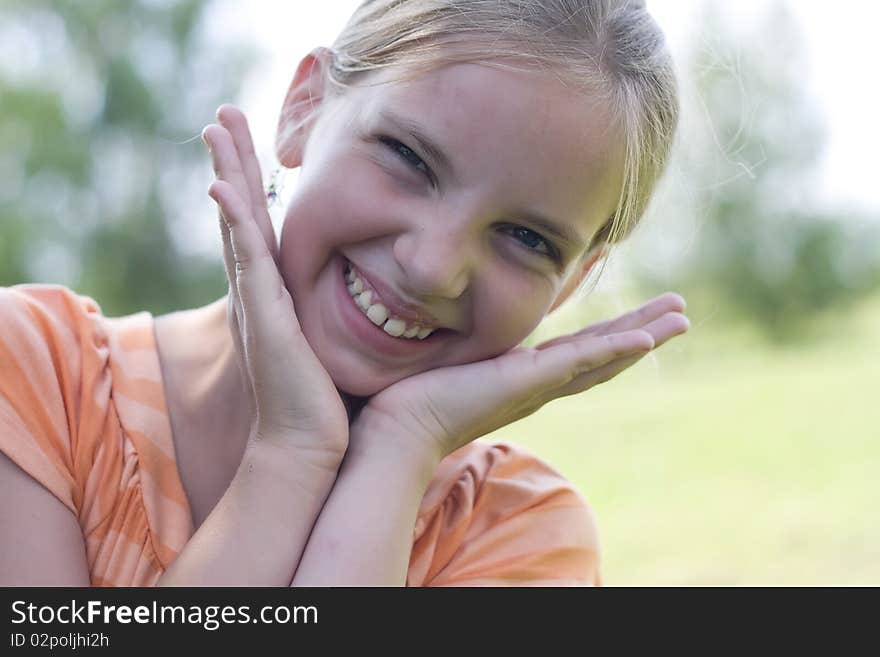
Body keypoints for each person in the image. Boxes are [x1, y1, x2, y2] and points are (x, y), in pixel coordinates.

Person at [0, 0, 689, 586]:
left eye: (527, 238)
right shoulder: (40, 378)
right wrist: (291, 452)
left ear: (569, 282)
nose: (431, 267)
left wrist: (400, 444)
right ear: (305, 105)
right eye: (410, 157)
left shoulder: (517, 533)